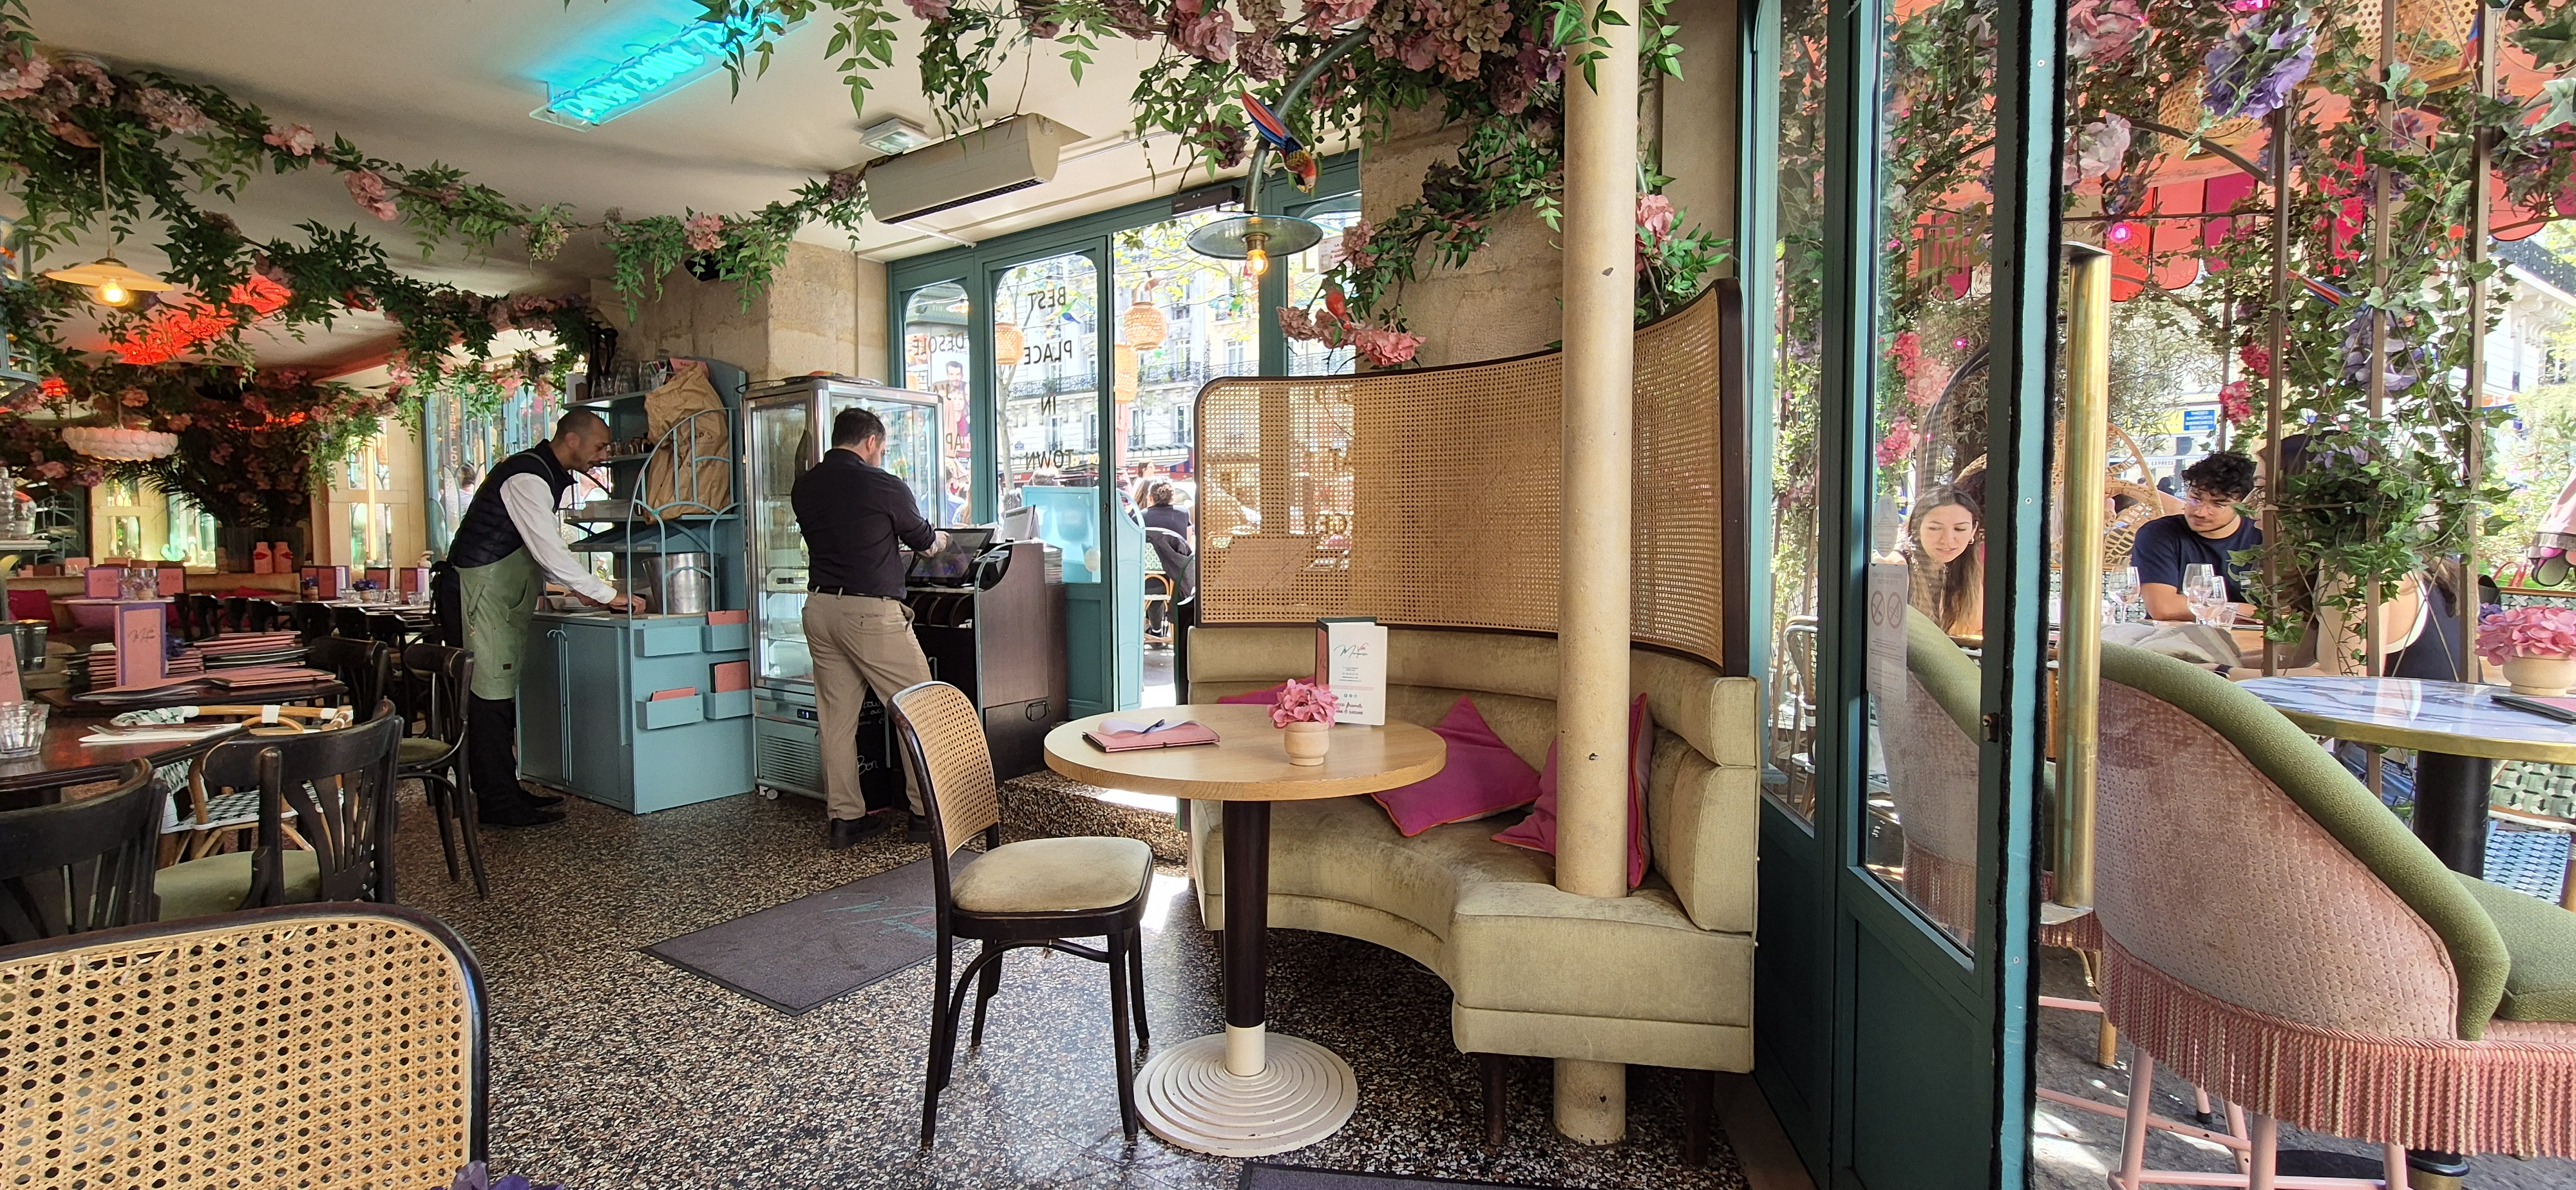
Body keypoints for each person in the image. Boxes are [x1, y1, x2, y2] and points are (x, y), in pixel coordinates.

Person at [450, 410, 638, 828]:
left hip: (496, 597)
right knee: (488, 700)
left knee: (498, 696)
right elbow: (548, 548)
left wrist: (581, 589)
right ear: (572, 440)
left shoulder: (538, 472)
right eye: (599, 446)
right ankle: (498, 805)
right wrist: (606, 594)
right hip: (481, 595)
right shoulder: (528, 477)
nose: (602, 455)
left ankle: (506, 791)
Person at [793, 406, 949, 849]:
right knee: (918, 710)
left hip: (821, 609)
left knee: (837, 720)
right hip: (870, 615)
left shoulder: (805, 485)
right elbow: (925, 542)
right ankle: (925, 816)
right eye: (881, 447)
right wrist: (942, 541)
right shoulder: (883, 484)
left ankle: (845, 819)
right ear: (872, 442)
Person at [2134, 450, 2262, 623]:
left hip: (2252, 637)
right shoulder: (2159, 534)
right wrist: (2250, 611)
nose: (2200, 512)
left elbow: (2286, 610)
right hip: (2178, 636)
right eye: (2195, 499)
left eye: (2218, 505)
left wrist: (2200, 607)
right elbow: (2164, 608)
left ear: (2245, 505)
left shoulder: (2263, 536)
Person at [1906, 487, 1982, 636]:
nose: (1947, 540)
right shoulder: (1898, 565)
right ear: (1916, 528)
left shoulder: (1966, 568)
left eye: (1960, 529)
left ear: (1973, 531)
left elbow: (1975, 626)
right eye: (1935, 528)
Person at [1140, 478, 1193, 638]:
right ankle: (1176, 632)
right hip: (1178, 579)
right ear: (1172, 497)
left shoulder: (1141, 516)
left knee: (1154, 578)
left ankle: (1155, 630)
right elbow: (1187, 543)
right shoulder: (1183, 513)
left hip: (1148, 581)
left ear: (1150, 497)